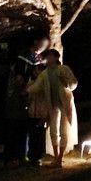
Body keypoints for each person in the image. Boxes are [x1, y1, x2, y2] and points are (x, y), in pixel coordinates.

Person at [27, 49, 78, 167]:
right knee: (53, 130)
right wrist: (27, 91)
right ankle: (56, 157)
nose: (48, 59)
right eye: (47, 56)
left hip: (65, 103)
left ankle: (59, 158)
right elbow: (37, 86)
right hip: (52, 104)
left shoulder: (63, 69)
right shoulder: (45, 73)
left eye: (50, 56)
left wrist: (67, 84)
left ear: (56, 57)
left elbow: (74, 83)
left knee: (63, 130)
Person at [15, 34, 49, 166]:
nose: (44, 47)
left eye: (46, 45)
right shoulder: (25, 55)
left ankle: (35, 156)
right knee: (26, 130)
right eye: (43, 44)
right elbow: (19, 75)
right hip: (27, 100)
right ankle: (24, 155)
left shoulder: (39, 59)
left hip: (37, 106)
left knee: (37, 134)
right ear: (36, 41)